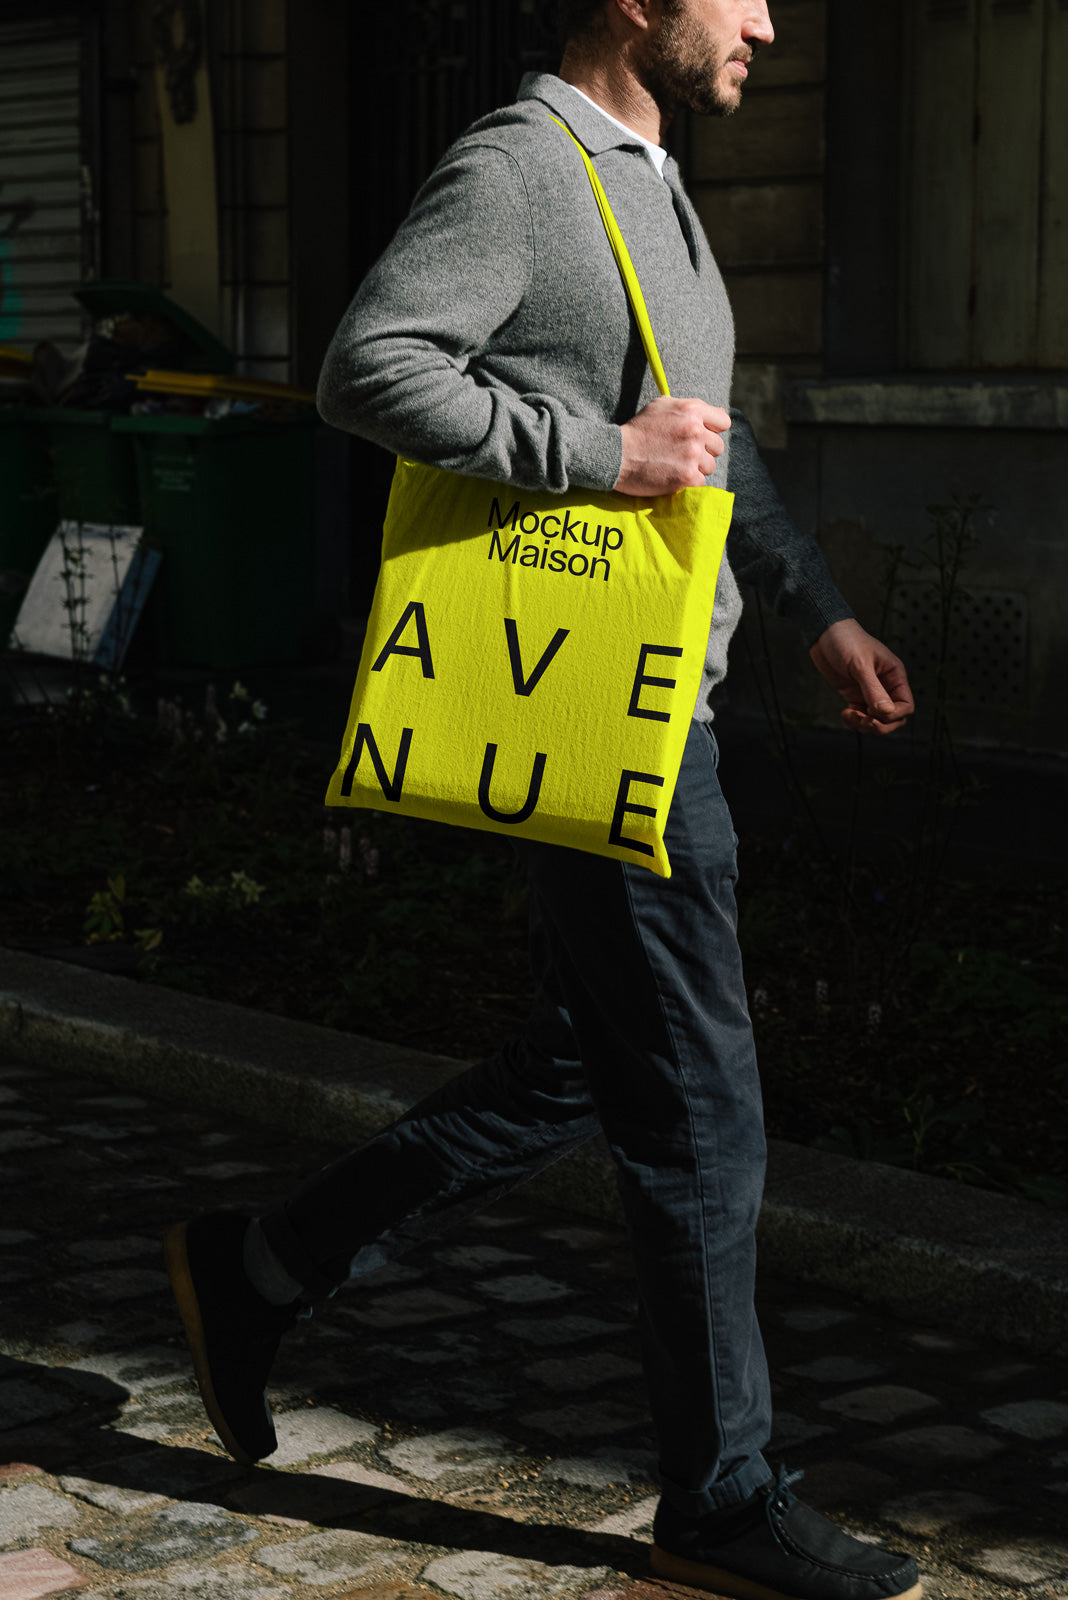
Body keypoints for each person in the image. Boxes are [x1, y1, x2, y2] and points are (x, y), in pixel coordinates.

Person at [164, 4, 920, 1599]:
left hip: (658, 704)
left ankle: (261, 1267)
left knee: (585, 1064)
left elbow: (701, 446)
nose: (770, 20)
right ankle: (722, 1496)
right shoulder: (524, 165)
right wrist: (595, 452)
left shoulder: (655, 182)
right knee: (706, 1105)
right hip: (608, 729)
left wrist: (817, 610)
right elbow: (365, 369)